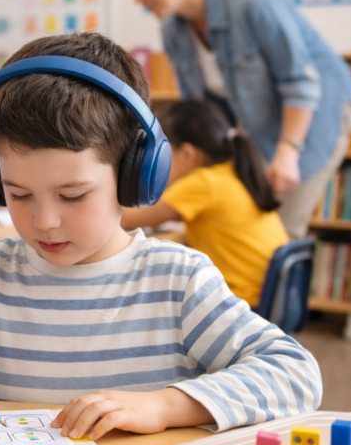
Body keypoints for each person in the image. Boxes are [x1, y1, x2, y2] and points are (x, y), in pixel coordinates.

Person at [0, 32, 322, 441]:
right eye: (19, 194)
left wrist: (163, 405)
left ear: (134, 176)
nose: (45, 220)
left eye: (73, 195)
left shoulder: (177, 281)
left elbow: (295, 374)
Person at [117, 0, 351, 239]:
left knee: (280, 229)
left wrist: (288, 151)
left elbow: (300, 81)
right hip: (261, 126)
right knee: (236, 222)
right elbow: (201, 113)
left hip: (313, 117)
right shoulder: (174, 32)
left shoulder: (254, 1)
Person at [121, 99, 289, 308]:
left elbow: (127, 218)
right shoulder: (233, 173)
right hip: (264, 292)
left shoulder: (203, 183)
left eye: (163, 153)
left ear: (188, 154)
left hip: (237, 297)